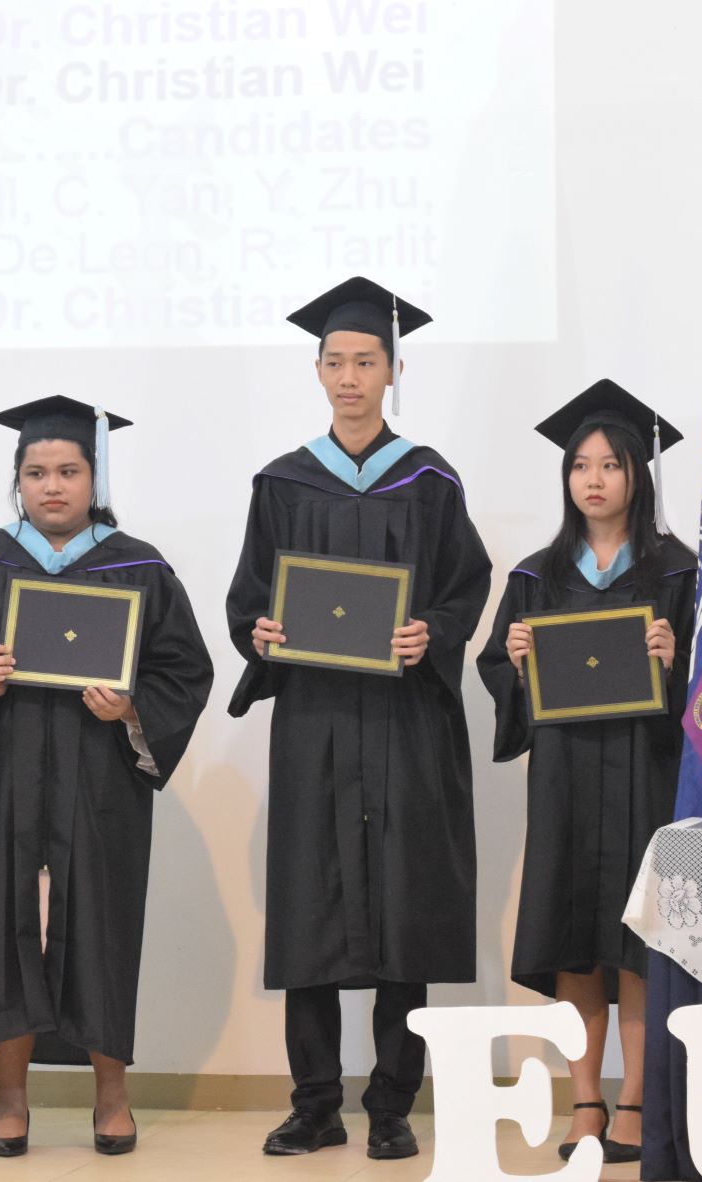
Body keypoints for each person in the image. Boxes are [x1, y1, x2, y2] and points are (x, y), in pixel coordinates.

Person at [225, 278, 492, 1160]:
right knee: (311, 904)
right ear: (317, 370)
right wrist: (260, 633)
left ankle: (388, 1104)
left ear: (393, 369)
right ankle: (312, 1103)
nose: (349, 377)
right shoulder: (283, 481)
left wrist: (433, 634)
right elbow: (251, 597)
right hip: (315, 722)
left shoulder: (429, 478)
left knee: (402, 905)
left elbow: (464, 585)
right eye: (335, 362)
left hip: (404, 723)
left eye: (365, 362)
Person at [0, 396, 213, 1157]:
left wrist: (131, 709)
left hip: (100, 774)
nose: (51, 486)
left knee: (101, 922)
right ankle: (10, 1098)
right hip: (5, 770)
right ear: (16, 480)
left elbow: (184, 671)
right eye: (35, 472)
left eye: (67, 471)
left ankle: (111, 1094)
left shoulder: (139, 565)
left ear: (94, 477)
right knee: (0, 924)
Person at [475, 379, 697, 1164]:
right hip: (567, 773)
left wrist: (680, 666)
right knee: (575, 938)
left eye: (609, 464)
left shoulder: (678, 571)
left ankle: (636, 1096)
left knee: (635, 935)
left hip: (645, 769)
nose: (592, 479)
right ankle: (587, 1101)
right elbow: (494, 665)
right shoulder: (536, 576)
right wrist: (516, 662)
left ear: (638, 473)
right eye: (578, 466)